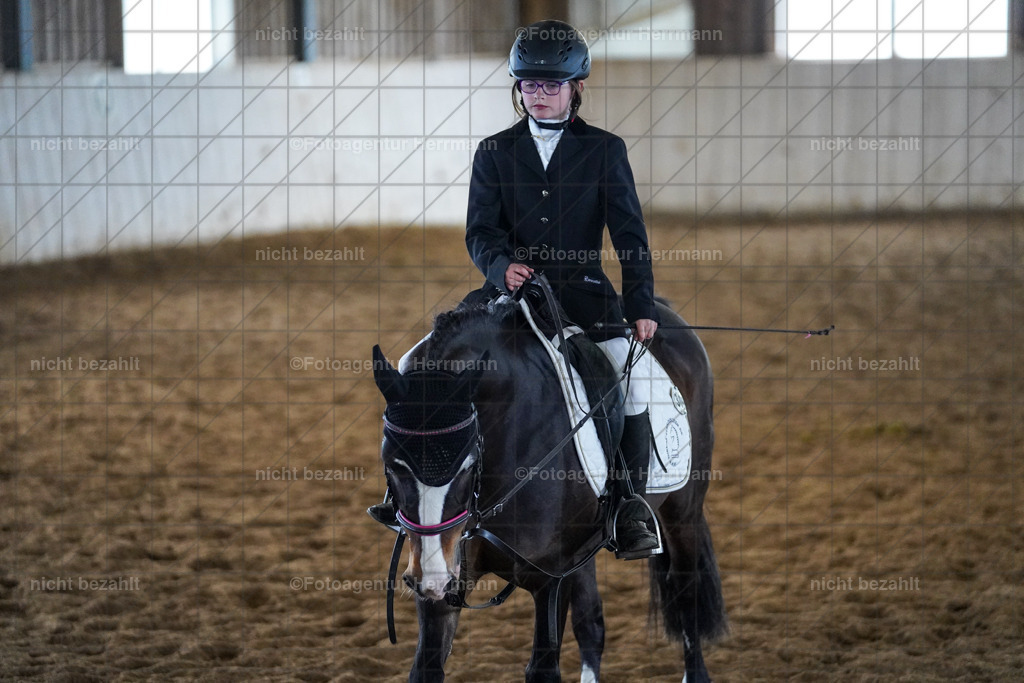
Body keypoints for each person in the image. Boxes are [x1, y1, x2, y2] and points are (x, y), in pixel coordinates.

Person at [370, 19, 661, 560]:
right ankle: (402, 496)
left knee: (635, 379)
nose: (539, 95)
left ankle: (627, 505)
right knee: (416, 366)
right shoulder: (494, 151)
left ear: (577, 86)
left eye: (551, 85)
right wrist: (501, 266)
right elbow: (479, 230)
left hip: (584, 298)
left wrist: (640, 305)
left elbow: (630, 237)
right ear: (517, 86)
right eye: (529, 84)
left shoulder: (604, 150)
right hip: (506, 296)